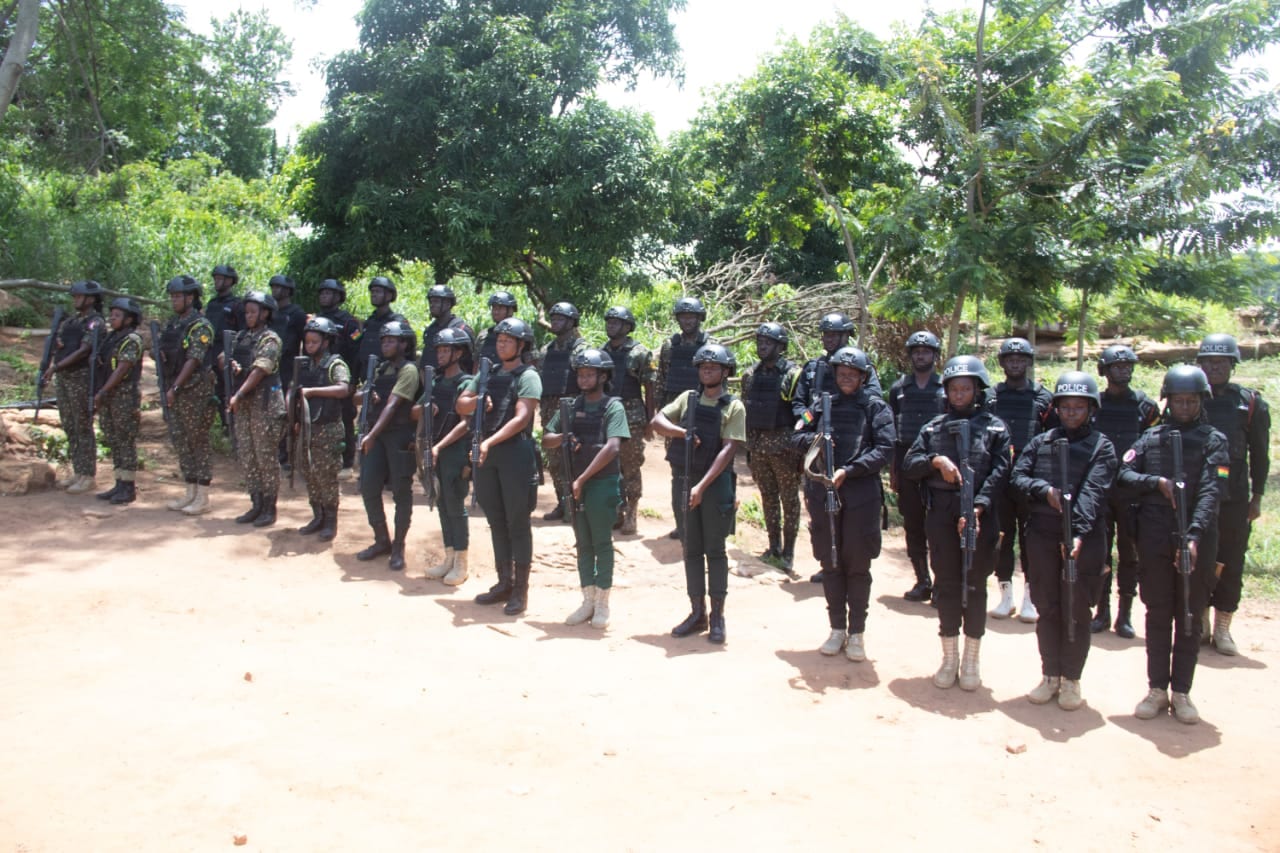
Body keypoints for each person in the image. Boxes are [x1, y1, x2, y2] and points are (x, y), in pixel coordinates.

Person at [1119, 365, 1229, 725]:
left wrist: (1194, 536)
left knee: (1190, 615)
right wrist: (1155, 482)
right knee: (1158, 612)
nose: (1184, 407)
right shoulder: (1151, 439)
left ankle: (1182, 691)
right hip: (1154, 538)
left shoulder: (1215, 440)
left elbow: (1213, 491)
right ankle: (1156, 689)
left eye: (1191, 401)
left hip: (1196, 540)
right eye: (1178, 400)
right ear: (1167, 401)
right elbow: (1124, 473)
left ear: (1201, 401)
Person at [903, 355, 1012, 691]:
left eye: (966, 388)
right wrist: (936, 461)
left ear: (977, 390)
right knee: (947, 584)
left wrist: (978, 507)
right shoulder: (933, 427)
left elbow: (1001, 471)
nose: (960, 393)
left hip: (980, 514)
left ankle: (971, 659)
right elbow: (910, 463)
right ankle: (949, 656)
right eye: (954, 388)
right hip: (941, 514)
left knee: (976, 585)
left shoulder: (995, 427)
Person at [1010, 372, 1117, 711]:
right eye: (1065, 407)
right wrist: (1045, 491)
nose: (1071, 413)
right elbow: (1018, 477)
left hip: (1083, 540)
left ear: (1091, 410)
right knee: (1048, 608)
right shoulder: (1041, 442)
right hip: (1041, 535)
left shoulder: (1102, 446)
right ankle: (1050, 675)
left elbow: (1093, 493)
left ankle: (1072, 680)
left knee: (1077, 610)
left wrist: (1078, 533)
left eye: (1079, 408)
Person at [794, 347, 895, 661]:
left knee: (857, 565)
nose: (846, 379)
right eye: (841, 374)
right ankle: (836, 628)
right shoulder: (820, 405)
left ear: (863, 377)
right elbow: (795, 434)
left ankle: (857, 633)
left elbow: (885, 449)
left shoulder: (876, 408)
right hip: (823, 492)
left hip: (861, 495)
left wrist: (850, 470)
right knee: (831, 562)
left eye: (852, 374)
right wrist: (816, 441)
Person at [651, 343, 745, 645]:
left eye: (714, 367)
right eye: (703, 366)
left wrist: (701, 487)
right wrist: (682, 432)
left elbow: (729, 449)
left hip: (715, 485)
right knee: (690, 549)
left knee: (715, 551)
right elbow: (657, 422)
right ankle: (697, 613)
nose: (707, 370)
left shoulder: (734, 406)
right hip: (683, 479)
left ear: (725, 371)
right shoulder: (688, 399)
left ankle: (718, 616)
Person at [457, 318, 542, 616]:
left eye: (508, 340)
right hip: (488, 454)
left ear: (521, 345)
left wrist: (489, 442)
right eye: (499, 340)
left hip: (514, 453)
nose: (501, 343)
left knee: (517, 522)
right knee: (496, 519)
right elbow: (461, 404)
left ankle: (521, 590)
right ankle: (503, 582)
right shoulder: (487, 373)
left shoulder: (528, 375)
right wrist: (479, 400)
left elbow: (521, 417)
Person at [542, 348, 630, 628]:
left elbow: (613, 446)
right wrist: (563, 437)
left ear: (603, 376)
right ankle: (587, 601)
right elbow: (546, 438)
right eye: (580, 374)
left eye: (590, 374)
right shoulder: (569, 406)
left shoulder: (613, 407)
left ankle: (602, 603)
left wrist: (583, 479)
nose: (584, 379)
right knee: (583, 544)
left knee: (602, 542)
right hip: (575, 480)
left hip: (601, 483)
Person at [1196, 334, 1270, 656]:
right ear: (1200, 365)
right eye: (1209, 361)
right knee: (1197, 557)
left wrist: (1257, 497)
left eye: (1222, 361)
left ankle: (1223, 625)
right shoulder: (1188, 398)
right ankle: (1199, 620)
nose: (1215, 367)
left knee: (1231, 559)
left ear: (1232, 365)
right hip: (1197, 494)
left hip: (1235, 497)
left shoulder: (1250, 404)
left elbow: (1261, 455)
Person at [1090, 344, 1160, 638]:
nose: (1124, 370)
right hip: (1101, 489)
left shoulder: (1146, 406)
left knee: (1130, 555)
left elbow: (1155, 445)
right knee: (1101, 553)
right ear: (1104, 371)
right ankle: (1101, 612)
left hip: (1133, 492)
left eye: (1128, 365)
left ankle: (1125, 615)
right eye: (1117, 366)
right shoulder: (1094, 403)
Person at [989, 337, 1057, 622]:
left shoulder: (1044, 398)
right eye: (1009, 358)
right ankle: (1006, 596)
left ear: (1029, 362)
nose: (1015, 363)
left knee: (1032, 540)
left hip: (1031, 481)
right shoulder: (992, 396)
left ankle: (1030, 597)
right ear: (1002, 363)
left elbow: (1053, 438)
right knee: (1003, 538)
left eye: (1021, 358)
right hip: (1001, 479)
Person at [354, 321, 423, 571]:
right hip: (377, 435)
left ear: (403, 344)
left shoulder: (409, 371)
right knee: (369, 486)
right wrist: (368, 393)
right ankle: (382, 539)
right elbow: (356, 397)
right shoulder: (380, 369)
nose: (386, 344)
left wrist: (370, 435)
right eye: (383, 340)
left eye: (391, 340)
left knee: (401, 492)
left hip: (398, 436)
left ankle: (399, 547)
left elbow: (393, 405)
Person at [740, 322, 803, 571]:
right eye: (760, 341)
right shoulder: (750, 375)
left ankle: (789, 553)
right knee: (768, 499)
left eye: (768, 342)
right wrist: (748, 447)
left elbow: (803, 414)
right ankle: (773, 547)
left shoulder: (792, 375)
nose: (762, 345)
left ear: (781, 346)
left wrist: (800, 447)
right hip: (758, 446)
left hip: (785, 448)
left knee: (789, 501)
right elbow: (747, 410)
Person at [888, 330, 944, 601]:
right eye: (916, 351)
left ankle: (943, 584)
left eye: (926, 351)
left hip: (937, 467)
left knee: (940, 526)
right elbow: (893, 432)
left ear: (935, 355)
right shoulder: (899, 389)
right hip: (907, 464)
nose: (921, 355)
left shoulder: (945, 388)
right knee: (913, 525)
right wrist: (894, 470)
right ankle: (922, 580)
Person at [223, 290, 287, 528]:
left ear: (265, 313)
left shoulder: (270, 339)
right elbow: (223, 358)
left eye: (253, 311)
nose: (248, 315)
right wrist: (229, 362)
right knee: (248, 455)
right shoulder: (241, 336)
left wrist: (239, 393)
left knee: (265, 456)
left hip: (264, 406)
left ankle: (269, 507)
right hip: (245, 406)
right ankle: (256, 503)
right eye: (246, 311)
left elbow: (261, 369)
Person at [655, 296, 715, 540]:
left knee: (704, 466)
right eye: (683, 316)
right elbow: (661, 379)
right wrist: (659, 413)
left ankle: (702, 522)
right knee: (677, 468)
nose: (687, 321)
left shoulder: (710, 344)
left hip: (705, 412)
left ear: (700, 318)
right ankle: (682, 522)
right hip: (676, 413)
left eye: (691, 316)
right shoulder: (670, 346)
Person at [158, 275, 218, 516]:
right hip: (175, 387)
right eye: (171, 296)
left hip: (194, 390)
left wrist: (175, 388)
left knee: (197, 440)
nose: (173, 300)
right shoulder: (174, 324)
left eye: (177, 296)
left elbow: (194, 359)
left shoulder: (201, 326)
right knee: (180, 439)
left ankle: (202, 495)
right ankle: (190, 490)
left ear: (190, 298)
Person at [422, 328, 475, 586]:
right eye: (439, 350)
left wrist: (440, 446)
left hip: (454, 451)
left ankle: (461, 562)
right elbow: (415, 412)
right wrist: (423, 410)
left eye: (446, 350)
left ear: (459, 352)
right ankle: (449, 556)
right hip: (436, 451)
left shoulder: (466, 383)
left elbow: (465, 424)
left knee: (455, 504)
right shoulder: (436, 381)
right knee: (440, 502)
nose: (441, 355)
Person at [44, 279, 105, 494]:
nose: (76, 300)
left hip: (81, 378)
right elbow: (61, 343)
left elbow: (84, 350)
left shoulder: (95, 322)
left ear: (91, 299)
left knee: (82, 426)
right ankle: (78, 471)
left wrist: (56, 366)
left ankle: (88, 475)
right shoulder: (71, 322)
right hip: (65, 378)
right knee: (70, 425)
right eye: (75, 297)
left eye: (79, 297)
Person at [294, 316, 352, 541]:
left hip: (328, 428)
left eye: (314, 342)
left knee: (326, 476)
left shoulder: (335, 364)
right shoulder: (306, 365)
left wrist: (312, 392)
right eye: (307, 342)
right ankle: (317, 515)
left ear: (326, 342)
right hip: (309, 428)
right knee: (309, 473)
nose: (310, 346)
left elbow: (343, 389)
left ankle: (330, 520)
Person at [602, 305, 655, 535]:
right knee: (609, 466)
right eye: (609, 321)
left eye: (616, 322)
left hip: (632, 416)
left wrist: (650, 419)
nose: (610, 325)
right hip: (606, 415)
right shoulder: (601, 351)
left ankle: (632, 513)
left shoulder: (639, 352)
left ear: (627, 326)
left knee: (631, 466)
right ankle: (616, 511)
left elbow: (650, 386)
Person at [536, 301, 590, 522]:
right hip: (549, 409)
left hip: (574, 409)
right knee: (554, 460)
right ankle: (563, 503)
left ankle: (578, 505)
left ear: (571, 322)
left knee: (576, 458)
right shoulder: (547, 350)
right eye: (554, 318)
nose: (556, 322)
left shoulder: (581, 348)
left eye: (560, 319)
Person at [350, 276, 407, 480]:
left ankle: (389, 474)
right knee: (365, 422)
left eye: (380, 291)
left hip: (390, 379)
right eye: (373, 291)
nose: (375, 294)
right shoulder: (369, 322)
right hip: (369, 377)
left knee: (388, 424)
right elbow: (357, 347)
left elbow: (405, 353)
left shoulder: (398, 322)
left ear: (390, 295)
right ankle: (368, 469)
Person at [92, 297, 145, 505]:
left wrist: (104, 390)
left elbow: (122, 368)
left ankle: (128, 486)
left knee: (125, 439)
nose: (112, 318)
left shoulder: (131, 339)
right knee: (113, 438)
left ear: (129, 319)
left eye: (117, 315)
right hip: (109, 395)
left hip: (123, 396)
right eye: (111, 315)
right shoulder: (112, 338)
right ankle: (119, 482)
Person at [791, 312, 884, 425]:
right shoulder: (813, 367)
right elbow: (799, 403)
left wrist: (841, 400)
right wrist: (808, 422)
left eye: (834, 335)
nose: (829, 339)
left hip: (853, 425)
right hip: (818, 427)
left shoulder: (861, 364)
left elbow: (875, 394)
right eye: (826, 335)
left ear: (846, 336)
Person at [316, 278, 361, 477]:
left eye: (329, 293)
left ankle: (347, 462)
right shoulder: (316, 319)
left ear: (338, 297)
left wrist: (352, 381)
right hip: (319, 375)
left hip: (342, 374)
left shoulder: (349, 322)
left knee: (345, 418)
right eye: (322, 293)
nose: (324, 296)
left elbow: (356, 351)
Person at [205, 264, 243, 431]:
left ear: (230, 281)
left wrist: (231, 352)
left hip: (227, 351)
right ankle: (223, 423)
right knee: (215, 390)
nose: (217, 281)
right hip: (210, 350)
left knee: (229, 388)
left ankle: (232, 425)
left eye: (221, 278)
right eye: (216, 278)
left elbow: (241, 332)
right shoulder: (212, 304)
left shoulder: (236, 304)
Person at [419, 284, 476, 373]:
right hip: (431, 382)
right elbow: (425, 362)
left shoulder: (461, 330)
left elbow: (469, 364)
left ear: (448, 304)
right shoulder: (430, 330)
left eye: (436, 301)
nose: (432, 305)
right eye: (431, 302)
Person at [476, 291, 518, 366]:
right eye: (494, 308)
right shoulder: (484, 335)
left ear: (510, 310)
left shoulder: (520, 334)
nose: (496, 312)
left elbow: (531, 363)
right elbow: (476, 364)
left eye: (500, 308)